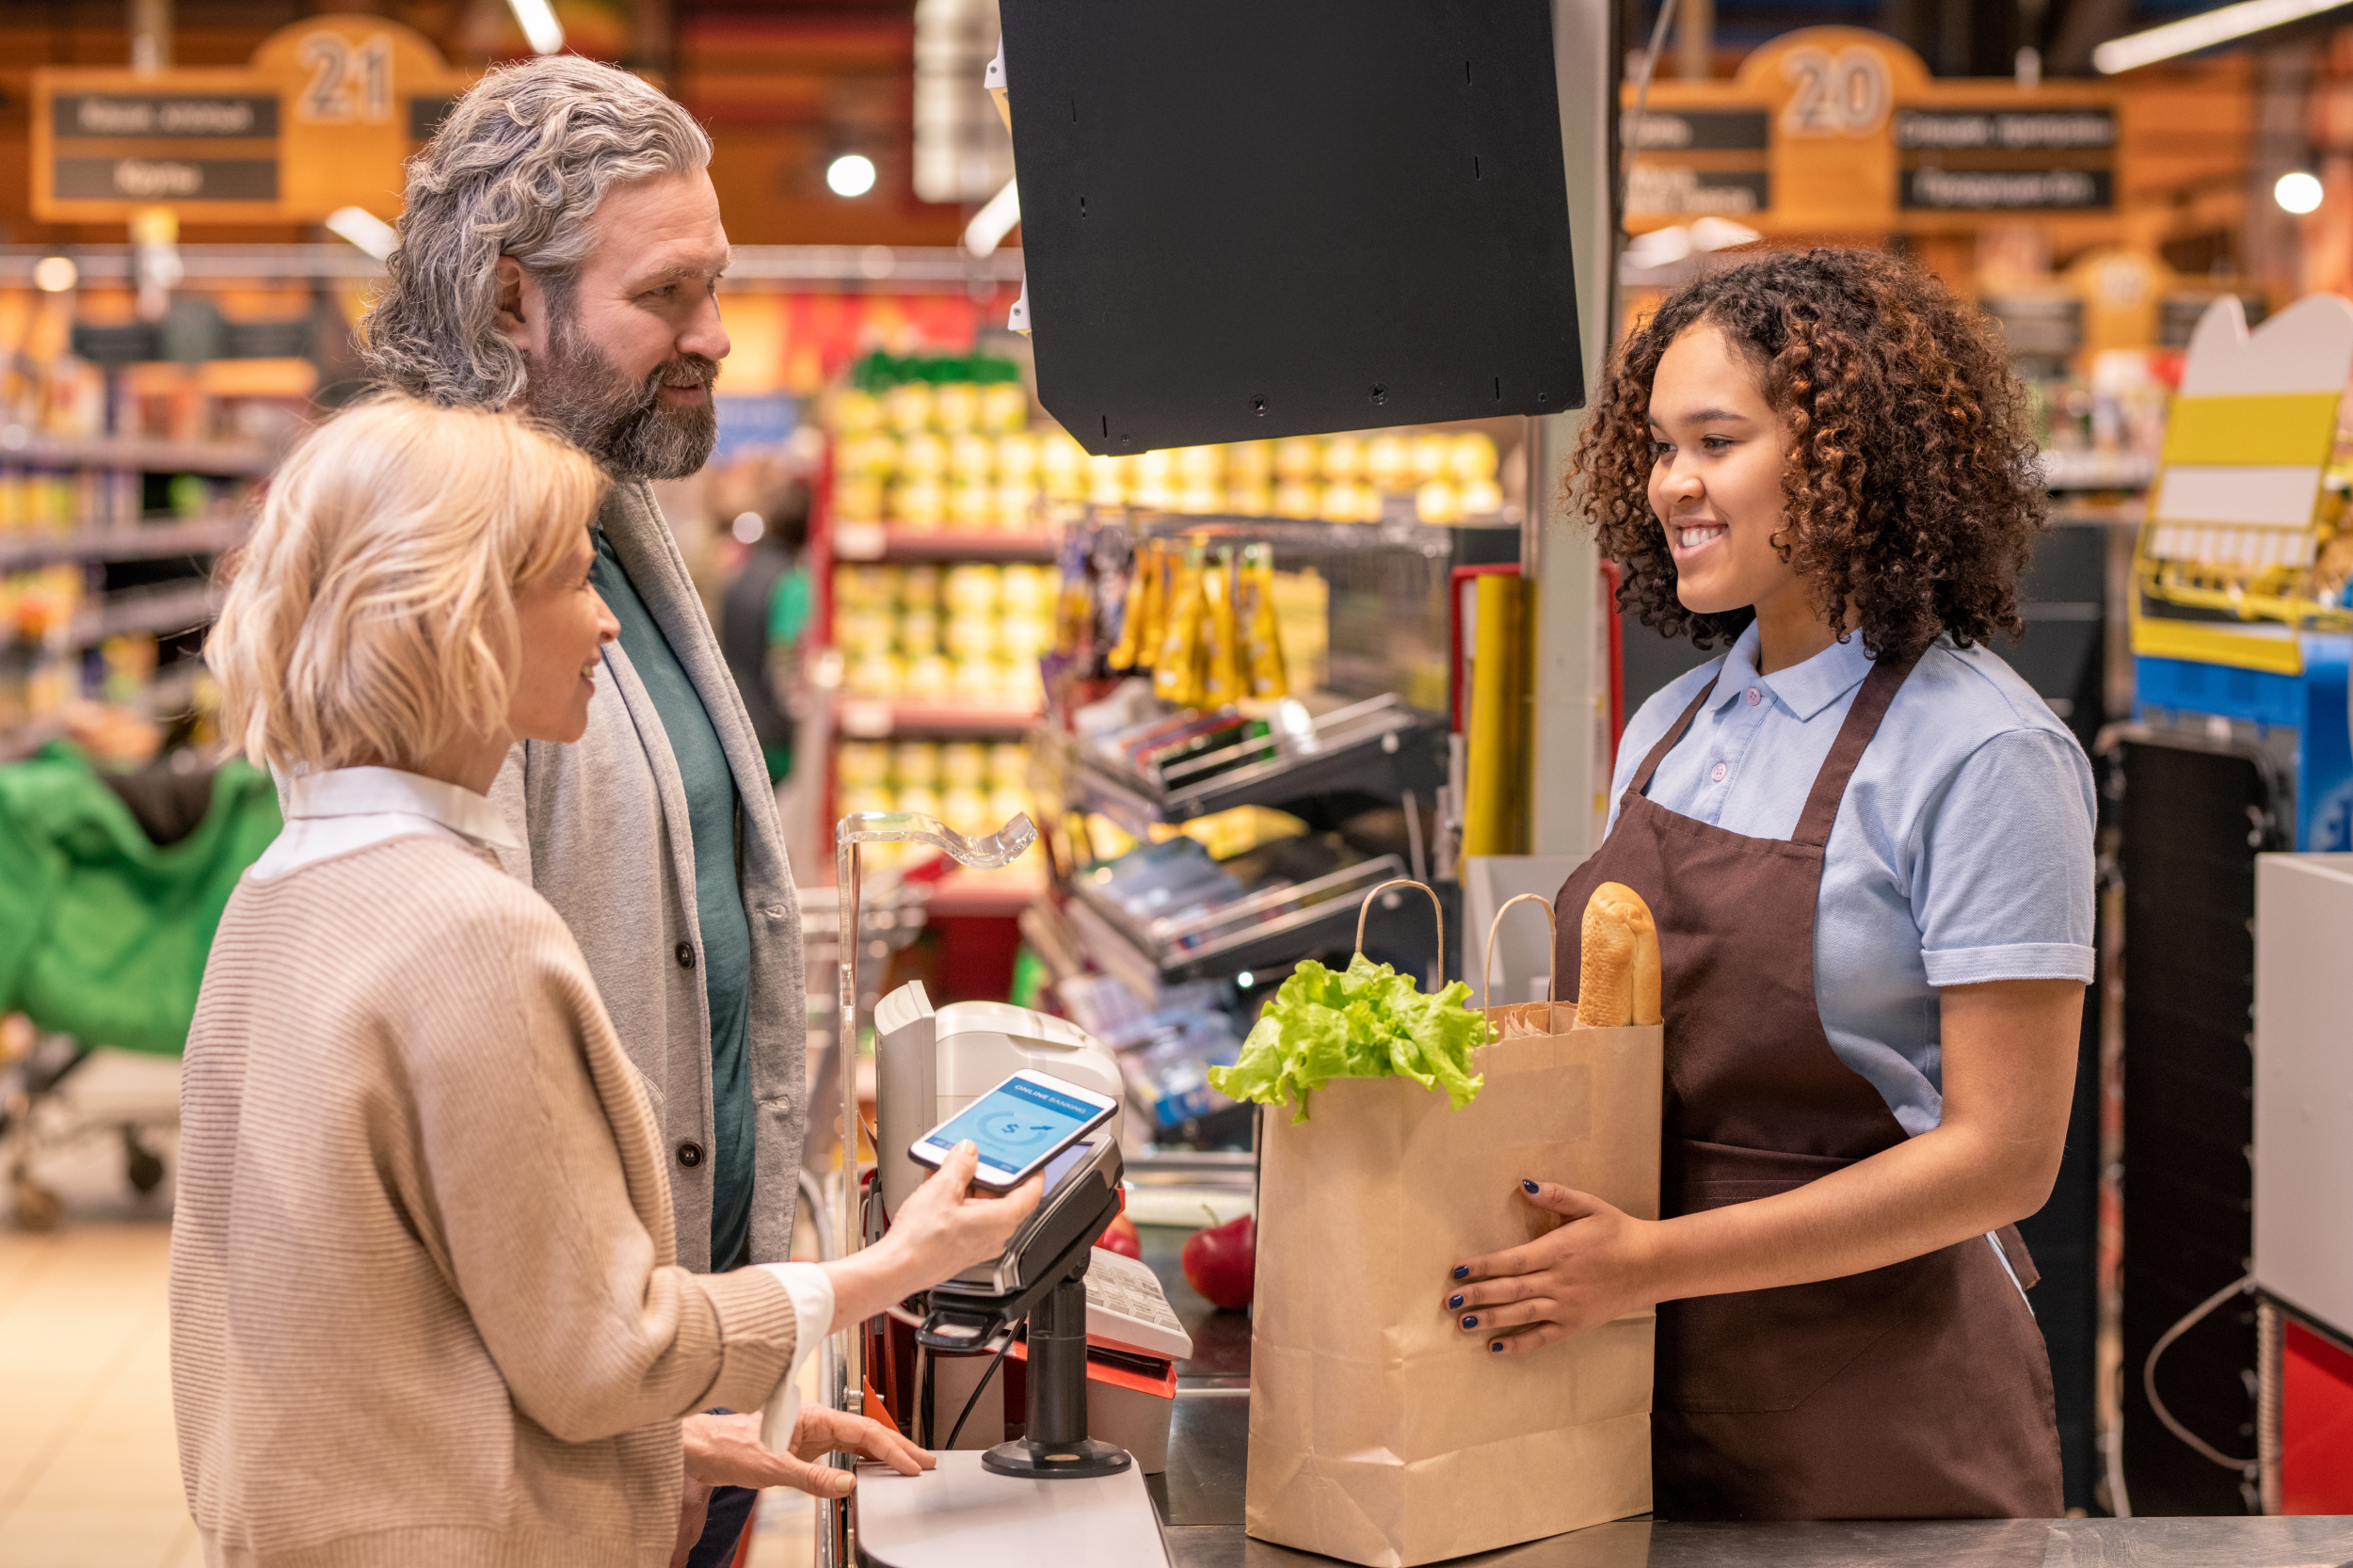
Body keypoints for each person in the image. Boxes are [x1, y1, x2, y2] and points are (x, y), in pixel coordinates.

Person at [174, 396, 1042, 1567]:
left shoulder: (279, 893)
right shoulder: (471, 933)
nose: (608, 626)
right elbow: (606, 1353)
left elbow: (389, 1314)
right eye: (576, 582)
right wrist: (893, 1266)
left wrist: (664, 1447)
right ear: (463, 614)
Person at [1446, 248, 2089, 1519]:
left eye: (1717, 440)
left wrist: (1648, 1264)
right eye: (1657, 446)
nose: (1672, 482)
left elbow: (2002, 1158)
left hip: (1877, 1420)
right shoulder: (1674, 725)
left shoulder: (1985, 753)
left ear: (1852, 455)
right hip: (1637, 1383)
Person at [360, 58, 811, 1558]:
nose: (716, 336)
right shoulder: (445, 575)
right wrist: (626, 1418)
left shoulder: (604, 515)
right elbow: (453, 1082)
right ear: (509, 308)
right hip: (569, 1435)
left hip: (674, 1375)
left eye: (717, 285)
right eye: (668, 296)